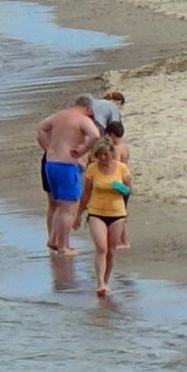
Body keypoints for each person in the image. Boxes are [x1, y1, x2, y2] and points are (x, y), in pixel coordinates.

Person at [37, 96, 100, 256]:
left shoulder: (59, 116)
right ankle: (63, 246)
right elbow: (95, 135)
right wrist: (82, 150)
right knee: (69, 207)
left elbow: (41, 128)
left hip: (50, 164)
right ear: (89, 108)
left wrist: (49, 147)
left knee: (59, 205)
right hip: (67, 164)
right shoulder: (82, 119)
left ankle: (54, 239)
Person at [73, 136, 131, 296]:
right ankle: (99, 283)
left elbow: (129, 190)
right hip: (96, 212)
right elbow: (86, 193)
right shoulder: (92, 169)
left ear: (112, 153)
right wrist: (78, 214)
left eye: (106, 154)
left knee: (111, 250)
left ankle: (106, 280)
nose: (103, 158)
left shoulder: (121, 168)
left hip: (117, 213)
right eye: (100, 155)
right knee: (101, 247)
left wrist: (123, 189)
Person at [105, 120, 132, 248]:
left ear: (112, 134)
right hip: (126, 180)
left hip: (119, 182)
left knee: (119, 213)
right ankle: (123, 240)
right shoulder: (125, 147)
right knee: (122, 211)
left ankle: (124, 240)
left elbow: (115, 166)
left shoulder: (116, 149)